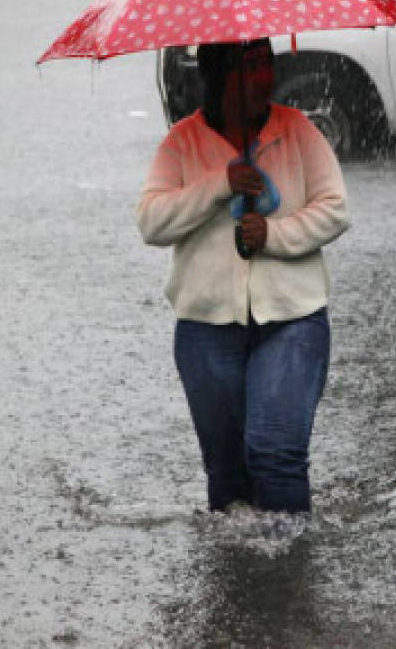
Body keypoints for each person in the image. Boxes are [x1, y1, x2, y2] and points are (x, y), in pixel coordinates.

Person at [135, 38, 349, 515]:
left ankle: (290, 574)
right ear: (219, 75)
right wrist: (220, 184)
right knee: (228, 475)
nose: (264, 77)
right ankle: (241, 580)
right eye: (249, 66)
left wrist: (274, 234)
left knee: (276, 454)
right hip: (206, 329)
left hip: (292, 319)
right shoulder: (183, 143)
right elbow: (151, 222)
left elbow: (335, 210)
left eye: (266, 63)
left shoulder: (296, 131)